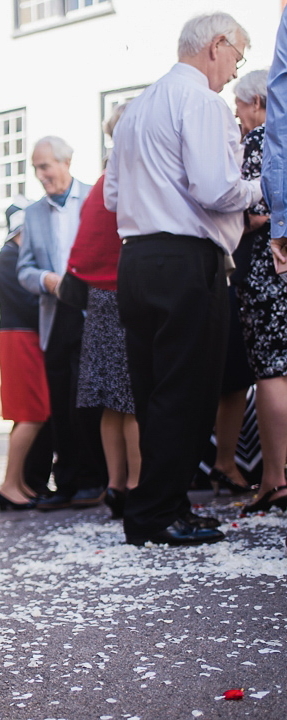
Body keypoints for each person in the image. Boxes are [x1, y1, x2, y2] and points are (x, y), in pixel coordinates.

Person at [104, 12, 263, 546]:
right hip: (185, 260)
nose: (233, 70)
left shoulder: (134, 109)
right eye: (236, 56)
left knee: (155, 392)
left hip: (137, 260)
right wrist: (263, 189)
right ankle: (153, 516)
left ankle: (165, 505)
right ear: (216, 45)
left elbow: (110, 197)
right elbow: (216, 188)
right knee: (187, 393)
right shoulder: (200, 101)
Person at [17, 136, 108, 511]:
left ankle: (95, 479)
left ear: (66, 162)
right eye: (36, 168)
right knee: (61, 403)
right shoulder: (33, 213)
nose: (40, 175)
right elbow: (23, 269)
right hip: (56, 315)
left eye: (45, 167)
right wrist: (46, 280)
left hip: (95, 313)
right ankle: (67, 482)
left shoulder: (95, 199)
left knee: (90, 402)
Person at [64, 104, 142, 521]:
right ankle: (135, 486)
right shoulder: (132, 174)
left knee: (113, 403)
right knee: (132, 402)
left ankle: (116, 484)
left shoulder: (102, 180)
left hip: (99, 298)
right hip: (125, 293)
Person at [208, 69, 269, 498]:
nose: (235, 113)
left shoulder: (252, 144)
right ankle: (228, 463)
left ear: (257, 104)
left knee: (253, 374)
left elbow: (235, 211)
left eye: (240, 105)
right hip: (249, 270)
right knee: (240, 374)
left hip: (249, 271)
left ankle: (232, 463)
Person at [246, 4, 287, 516]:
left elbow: (253, 207)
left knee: (274, 369)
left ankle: (275, 478)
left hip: (268, 261)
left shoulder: (257, 140)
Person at [0, 201, 53, 511]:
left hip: (23, 336)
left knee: (31, 414)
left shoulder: (12, 257)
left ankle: (17, 483)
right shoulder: (8, 258)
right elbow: (29, 304)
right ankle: (9, 485)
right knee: (31, 414)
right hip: (20, 337)